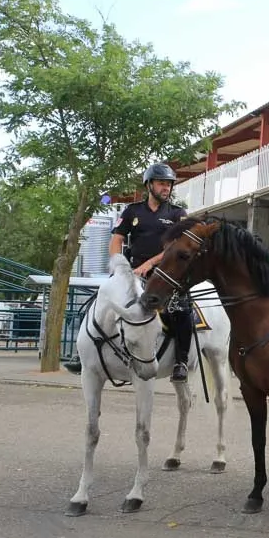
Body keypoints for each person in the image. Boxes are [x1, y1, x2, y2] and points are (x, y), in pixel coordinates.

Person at [110, 162, 190, 383]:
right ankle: (85, 353)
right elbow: (117, 239)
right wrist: (118, 265)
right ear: (149, 185)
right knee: (102, 300)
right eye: (162, 183)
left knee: (181, 310)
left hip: (166, 276)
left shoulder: (177, 213)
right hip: (133, 272)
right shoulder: (132, 211)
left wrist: (150, 264)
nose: (167, 188)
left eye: (169, 184)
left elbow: (175, 247)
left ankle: (180, 362)